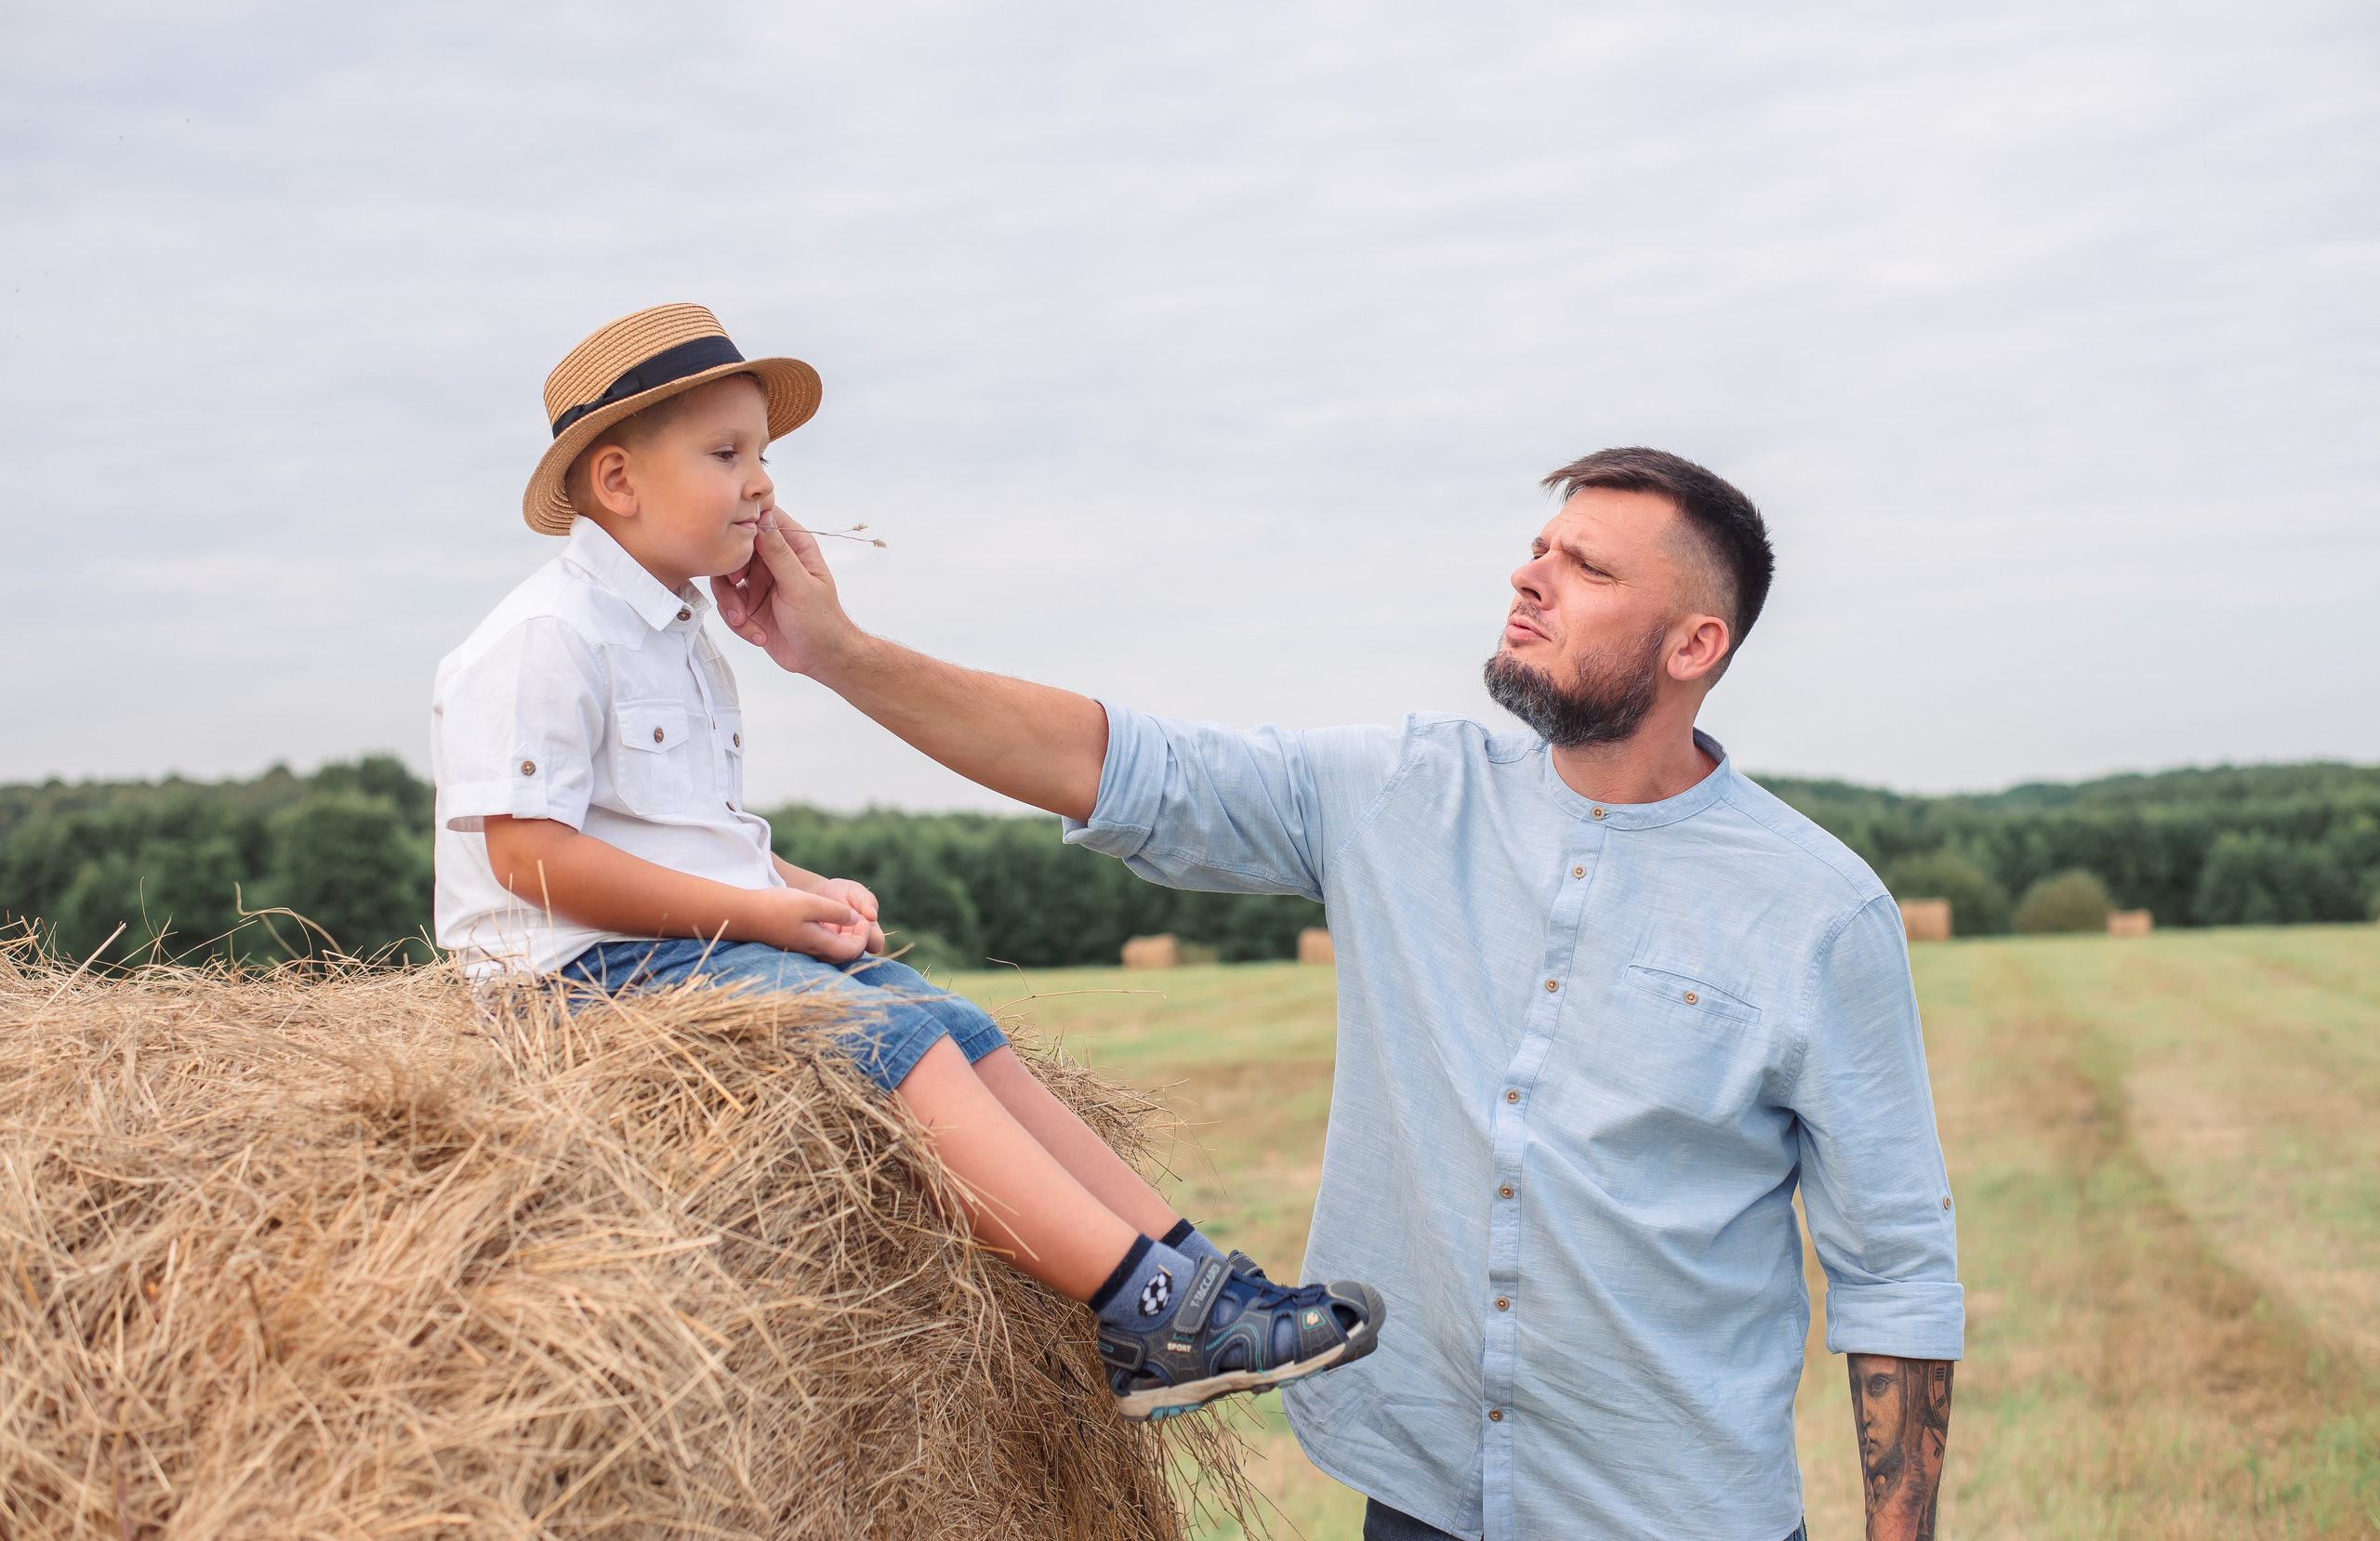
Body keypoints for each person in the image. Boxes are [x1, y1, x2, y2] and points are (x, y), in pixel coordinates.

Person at [714, 446, 1964, 1541]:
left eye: (1586, 567)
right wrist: (838, 653)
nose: (1530, 577)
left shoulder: (1818, 909)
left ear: (1698, 645)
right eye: (1537, 549)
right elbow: (1114, 765)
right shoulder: (1407, 793)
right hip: (1418, 1493)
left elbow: (1895, 1271)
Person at [427, 303, 1386, 1422]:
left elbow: (683, 831)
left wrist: (798, 889)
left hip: (679, 954)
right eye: (727, 456)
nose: (763, 487)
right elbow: (533, 863)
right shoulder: (546, 634)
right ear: (619, 481)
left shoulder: (679, 636)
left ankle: (1197, 1277)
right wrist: (761, 923)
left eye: (766, 457)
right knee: (880, 1035)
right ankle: (1143, 1301)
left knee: (957, 1029)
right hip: (574, 986)